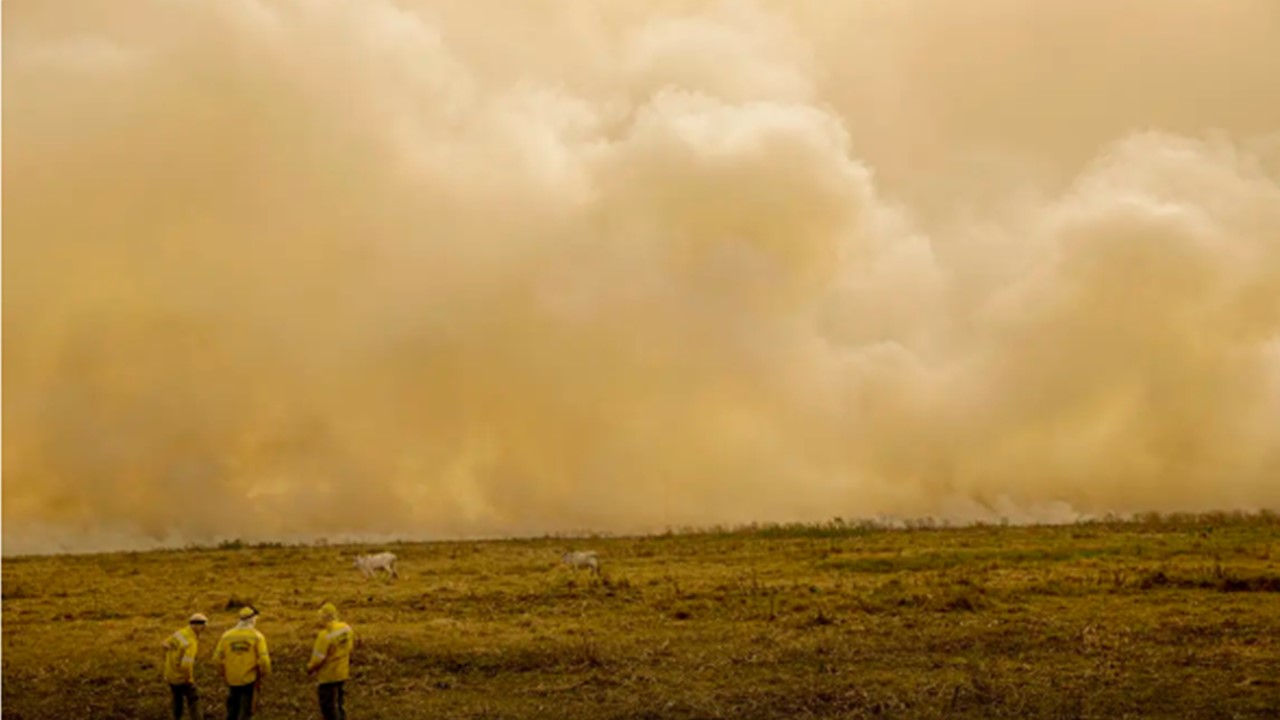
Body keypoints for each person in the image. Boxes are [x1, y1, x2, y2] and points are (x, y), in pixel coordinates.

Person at [212, 606, 271, 720]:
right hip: (249, 679)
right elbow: (264, 660)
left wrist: (223, 673)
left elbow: (216, 659)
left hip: (232, 679)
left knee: (232, 710)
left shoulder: (226, 636)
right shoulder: (257, 636)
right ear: (252, 619)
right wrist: (264, 673)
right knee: (247, 711)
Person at [307, 602, 355, 720]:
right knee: (339, 704)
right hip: (342, 672)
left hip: (328, 676)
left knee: (328, 708)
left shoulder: (324, 635)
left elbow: (318, 658)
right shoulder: (346, 628)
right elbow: (350, 648)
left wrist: (310, 668)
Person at [163, 613, 208, 720]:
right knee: (194, 700)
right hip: (182, 677)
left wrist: (173, 657)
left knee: (177, 699)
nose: (203, 629)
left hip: (170, 674)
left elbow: (165, 644)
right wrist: (189, 679)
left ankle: (176, 717)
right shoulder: (191, 643)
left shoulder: (180, 633)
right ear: (198, 626)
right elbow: (186, 665)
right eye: (203, 626)